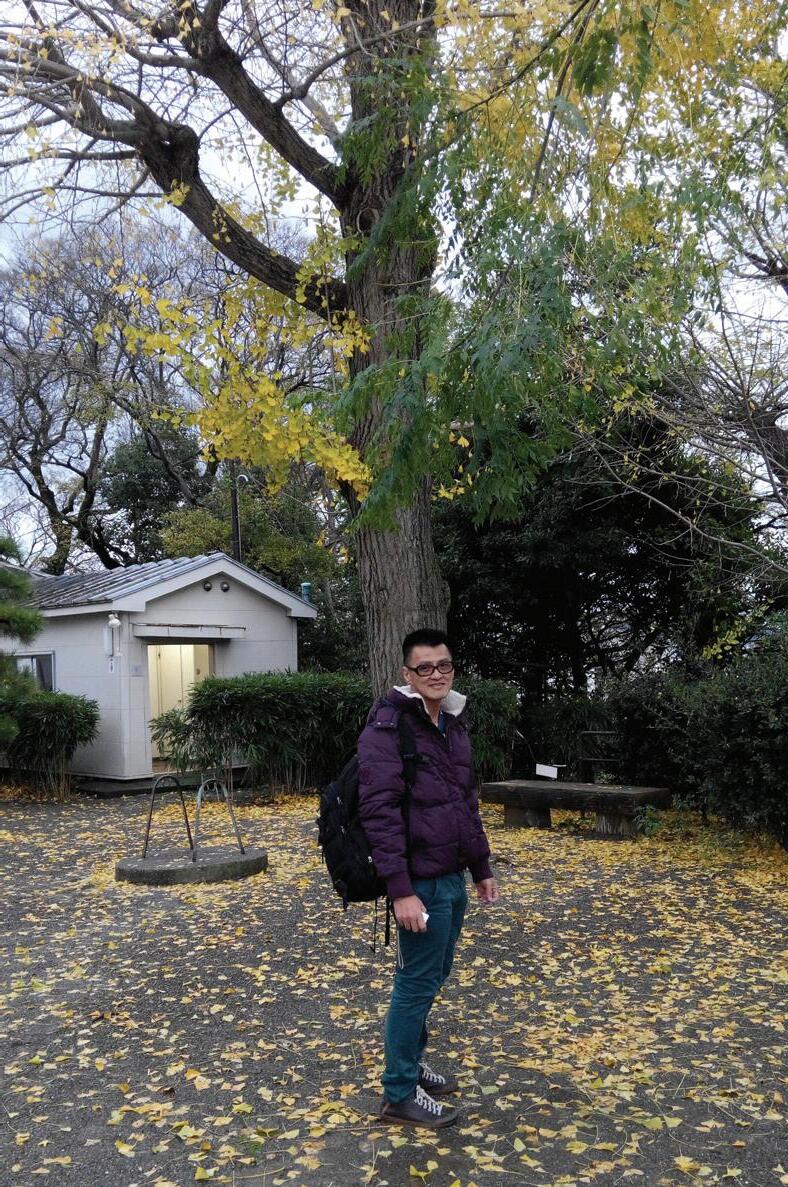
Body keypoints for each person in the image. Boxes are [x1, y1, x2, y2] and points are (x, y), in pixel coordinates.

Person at [358, 627, 499, 1129]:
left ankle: (412, 1068)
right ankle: (398, 1094)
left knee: (433, 975)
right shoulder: (388, 727)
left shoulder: (451, 722)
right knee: (415, 984)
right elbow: (379, 812)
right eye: (425, 667)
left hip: (451, 876)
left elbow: (464, 801)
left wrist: (480, 866)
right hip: (418, 882)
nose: (436, 674)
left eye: (444, 665)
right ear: (407, 673)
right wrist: (400, 891)